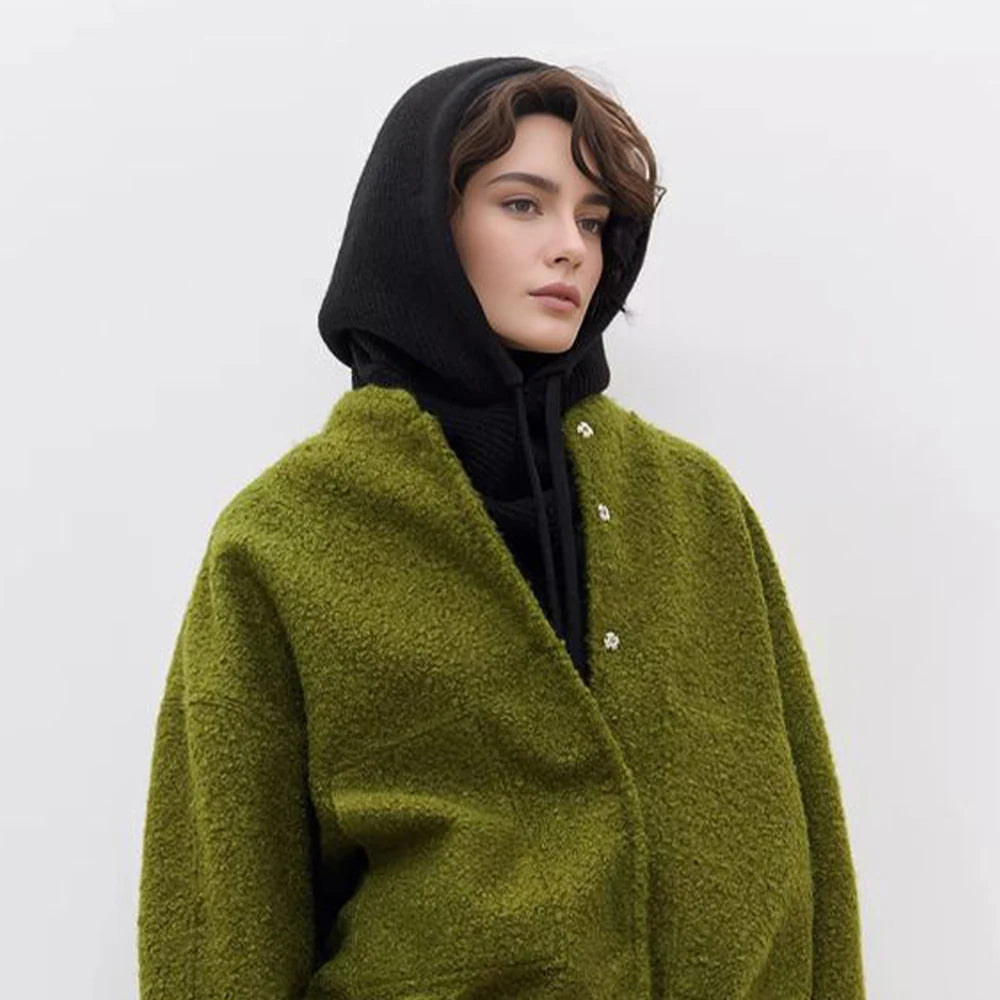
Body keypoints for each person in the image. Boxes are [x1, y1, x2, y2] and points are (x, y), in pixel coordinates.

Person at [137, 55, 866, 999]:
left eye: (593, 220)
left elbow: (809, 843)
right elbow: (222, 916)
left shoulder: (696, 506)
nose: (570, 248)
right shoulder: (287, 535)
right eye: (523, 204)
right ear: (422, 228)